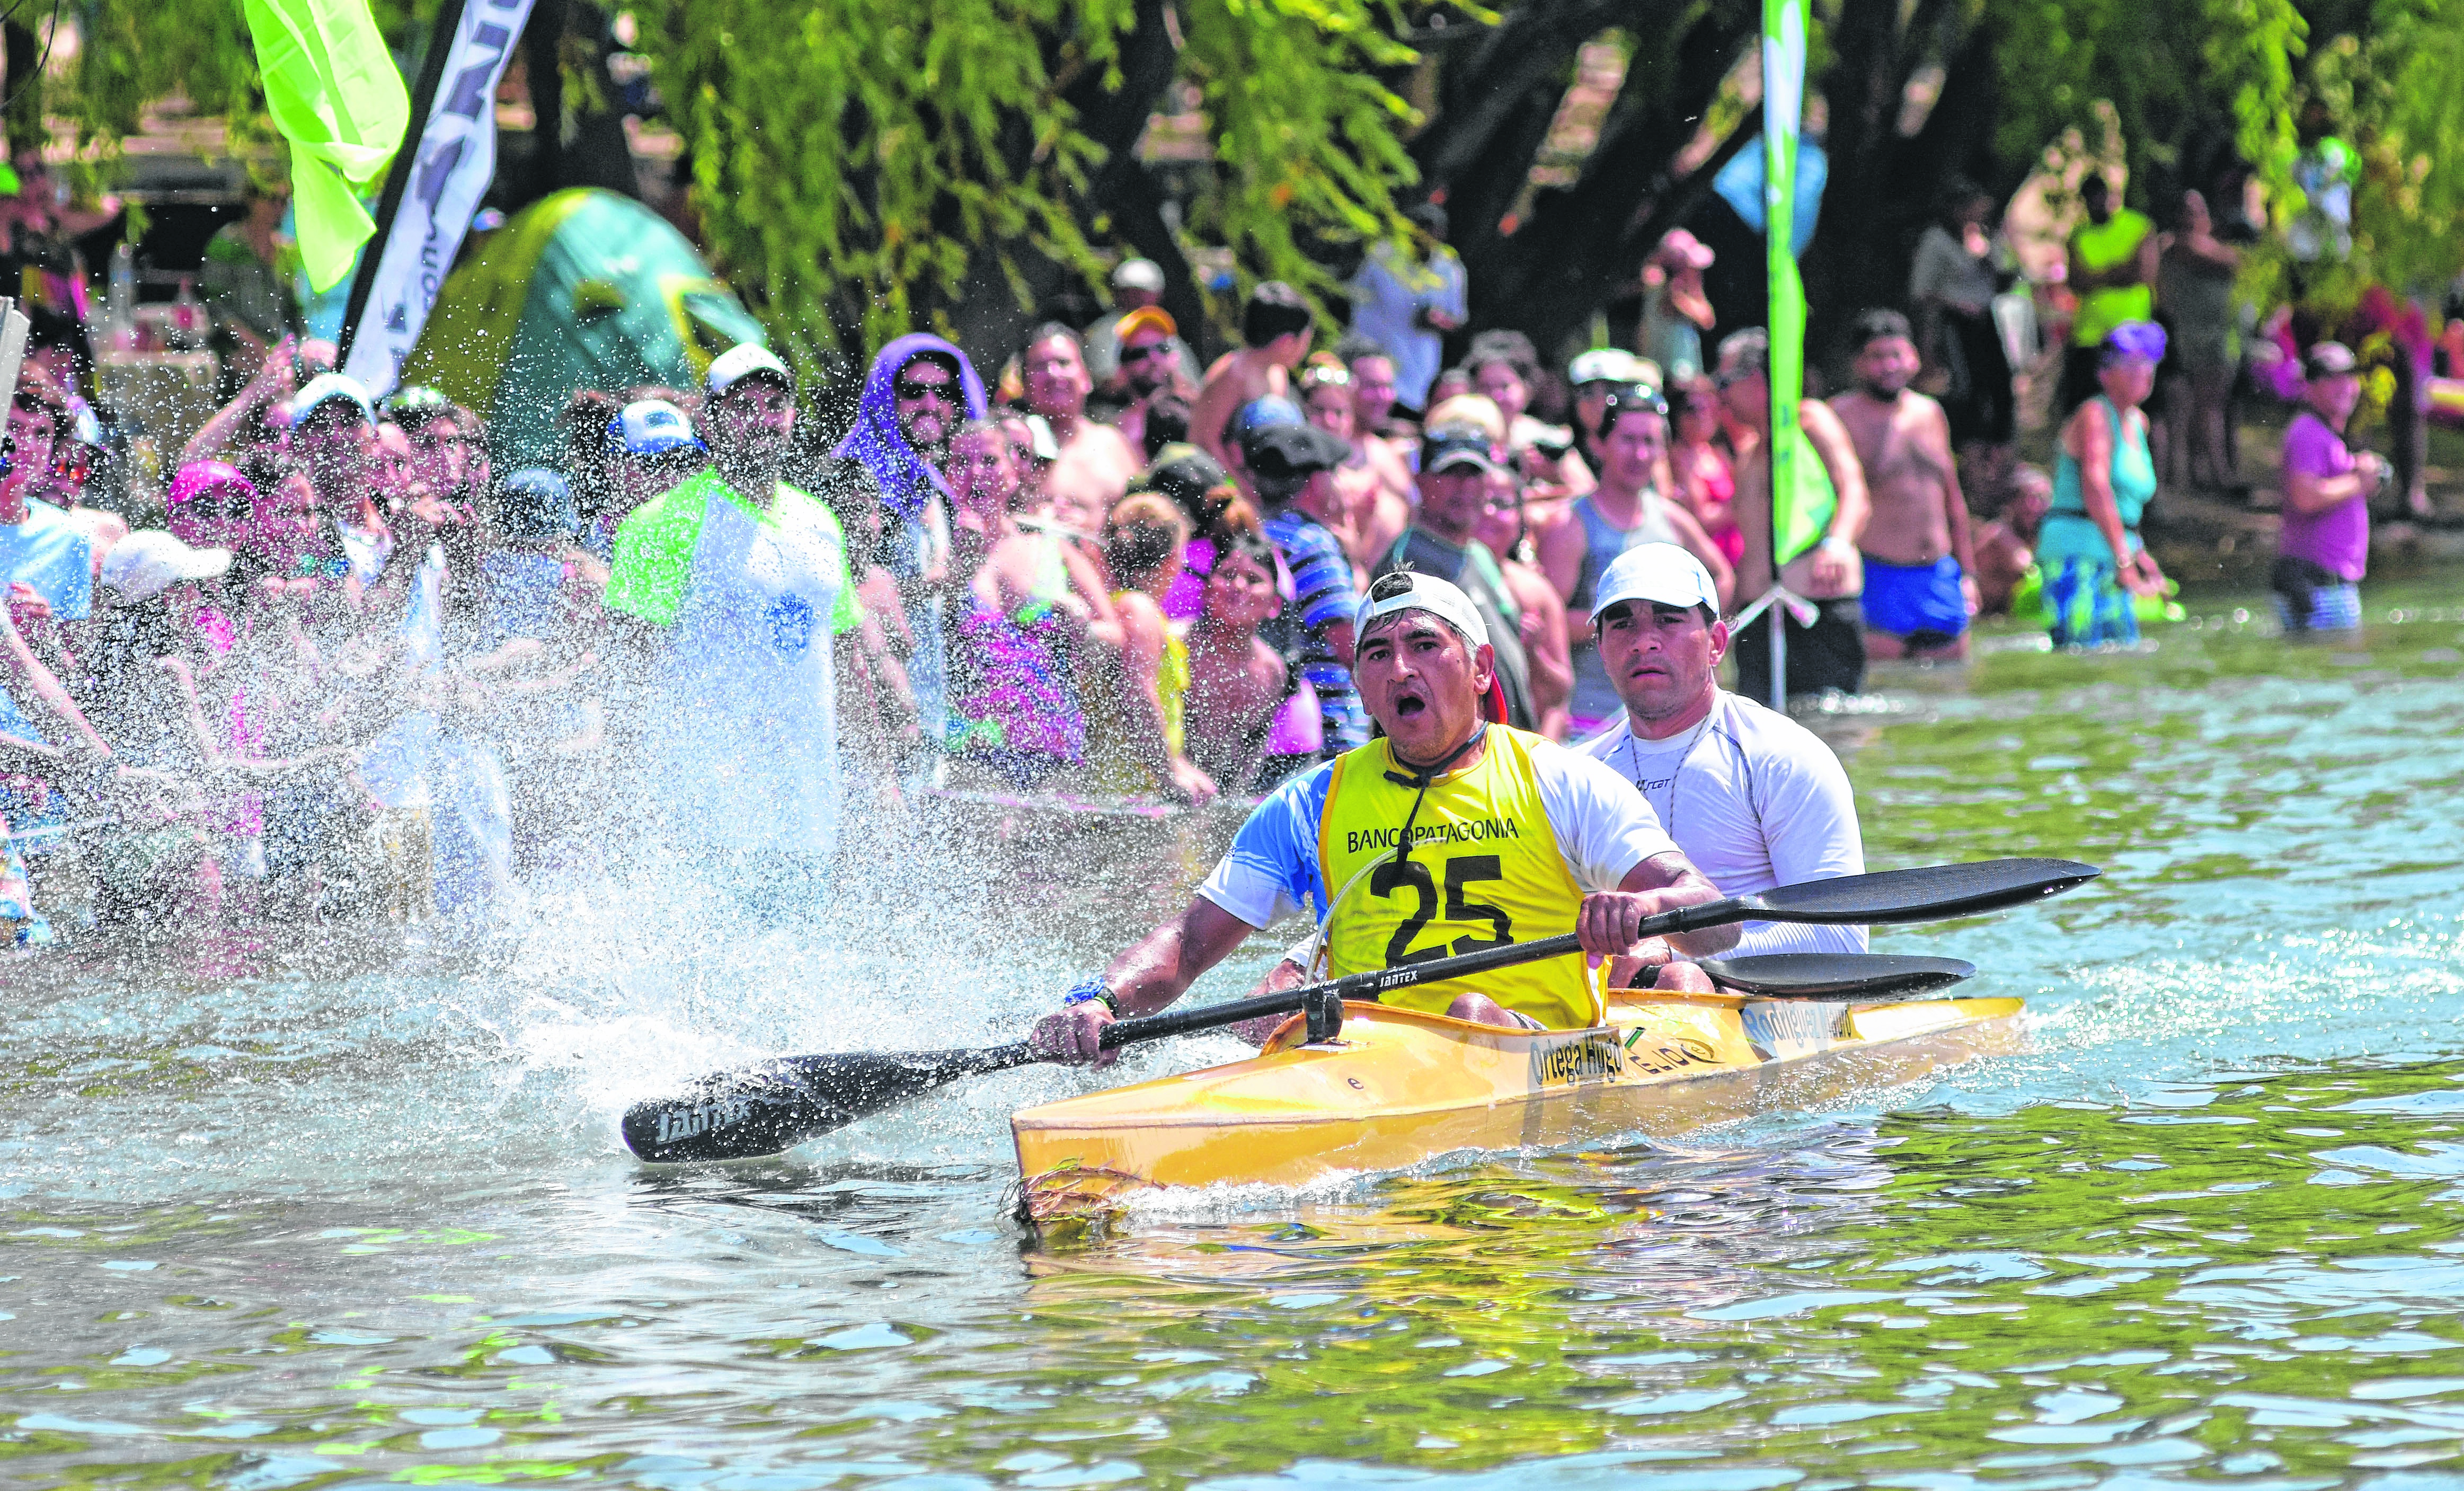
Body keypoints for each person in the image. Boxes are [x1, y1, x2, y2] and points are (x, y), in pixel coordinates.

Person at [1029, 570, 1736, 1065]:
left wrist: (1640, 907)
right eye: (1378, 654)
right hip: (1367, 1065)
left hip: (1538, 1053)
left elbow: (1714, 914)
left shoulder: (1560, 778)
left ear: (1482, 668)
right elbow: (1186, 945)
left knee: (1470, 1015)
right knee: (1264, 1011)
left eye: (1424, 646)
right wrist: (1102, 1001)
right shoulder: (1310, 803)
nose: (1400, 669)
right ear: (1363, 687)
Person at [604, 343, 859, 894]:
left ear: (793, 416)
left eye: (774, 403)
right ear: (711, 421)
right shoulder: (661, 522)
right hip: (709, 810)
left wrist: (878, 782)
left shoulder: (821, 523)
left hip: (809, 807)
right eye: (742, 406)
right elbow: (627, 672)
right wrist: (628, 798)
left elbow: (846, 664)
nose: (761, 420)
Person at [1575, 544, 1864, 983]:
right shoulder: (1577, 775)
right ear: (1600, 648)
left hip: (1761, 1005)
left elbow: (1839, 942)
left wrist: (1679, 957)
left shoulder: (1783, 758)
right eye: (1623, 624)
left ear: (1716, 643)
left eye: (1668, 620)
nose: (1644, 640)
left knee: (1679, 982)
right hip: (1624, 1006)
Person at [1537, 387, 1732, 736]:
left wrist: (1696, 629)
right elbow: (1547, 621)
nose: (1640, 453)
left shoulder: (1672, 519)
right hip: (1593, 717)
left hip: (1671, 719)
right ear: (1599, 444)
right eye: (1628, 440)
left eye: (1650, 441)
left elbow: (1721, 575)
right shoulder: (1571, 525)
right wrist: (1626, 624)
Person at [836, 334, 987, 770]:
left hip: (926, 694)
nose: (930, 403)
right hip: (873, 705)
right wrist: (933, 582)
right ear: (886, 395)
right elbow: (851, 598)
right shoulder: (856, 476)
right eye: (913, 391)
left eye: (944, 392)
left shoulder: (931, 484)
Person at [1713, 329, 1872, 703]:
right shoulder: (1749, 454)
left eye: (1724, 382)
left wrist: (1837, 543)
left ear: (1754, 379)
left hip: (1817, 610)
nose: (1720, 396)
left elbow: (1854, 491)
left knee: (1834, 731)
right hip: (1760, 622)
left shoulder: (1810, 420)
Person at [1829, 310, 1979, 661]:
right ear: (1858, 364)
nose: (1889, 366)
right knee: (1888, 685)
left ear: (1913, 357)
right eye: (1877, 357)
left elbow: (1952, 497)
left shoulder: (1931, 413)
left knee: (1953, 683)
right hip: (1879, 574)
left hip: (1939, 572)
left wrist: (1968, 572)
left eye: (1897, 355)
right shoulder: (1839, 416)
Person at [1373, 426, 1537, 734]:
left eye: (1473, 474)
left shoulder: (1480, 554)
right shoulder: (1407, 563)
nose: (1463, 487)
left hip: (1501, 747)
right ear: (1421, 483)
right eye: (1450, 474)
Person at [1245, 413, 1370, 765]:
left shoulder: (1257, 535)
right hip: (1328, 735)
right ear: (1317, 481)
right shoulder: (1310, 542)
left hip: (1273, 731)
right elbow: (1347, 641)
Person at [2043, 321, 2169, 648]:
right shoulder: (2095, 414)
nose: (2142, 371)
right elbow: (2096, 487)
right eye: (2130, 363)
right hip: (2078, 551)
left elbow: (2127, 505)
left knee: (2124, 653)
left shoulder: (2139, 422)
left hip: (2114, 554)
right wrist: (2125, 558)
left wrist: (2139, 555)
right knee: (2080, 653)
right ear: (2104, 373)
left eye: (2148, 362)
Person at [1083, 493, 1215, 803]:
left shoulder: (1133, 609)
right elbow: (1138, 696)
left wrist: (1179, 764)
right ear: (1172, 560)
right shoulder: (1138, 609)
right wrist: (1168, 775)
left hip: (1143, 778)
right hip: (1125, 788)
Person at [2274, 341, 2384, 634]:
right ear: (2308, 386)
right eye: (2331, 378)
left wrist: (2358, 472)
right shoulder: (2306, 432)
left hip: (2328, 585)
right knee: (2331, 670)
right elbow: (2306, 496)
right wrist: (2360, 482)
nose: (2345, 386)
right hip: (2316, 587)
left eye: (2350, 377)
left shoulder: (2325, 434)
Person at [1909, 181, 2017, 478]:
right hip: (1954, 323)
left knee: (1999, 386)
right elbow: (1921, 290)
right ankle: (1964, 460)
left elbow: (2006, 278)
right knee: (1965, 389)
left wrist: (1992, 252)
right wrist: (1955, 305)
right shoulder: (1937, 241)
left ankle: (1996, 461)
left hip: (1986, 321)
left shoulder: (1986, 239)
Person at [1473, 462, 1574, 741]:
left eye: (1501, 504)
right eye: (1480, 501)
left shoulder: (1537, 593)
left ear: (1521, 519)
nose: (1488, 512)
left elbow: (1560, 696)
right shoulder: (1441, 576)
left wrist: (1533, 654)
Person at [1182, 530, 1288, 793]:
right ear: (1206, 591)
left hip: (1221, 795)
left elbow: (1250, 756)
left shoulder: (1272, 671)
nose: (1238, 587)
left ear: (1274, 605)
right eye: (1228, 576)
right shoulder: (1177, 644)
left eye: (1253, 579)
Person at [1344, 202, 1466, 417]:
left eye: (1433, 232)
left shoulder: (1449, 270)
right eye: (1422, 229)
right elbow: (1355, 294)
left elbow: (1456, 319)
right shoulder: (1384, 254)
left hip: (1413, 369)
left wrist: (1436, 320)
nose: (1426, 237)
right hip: (1370, 356)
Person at [1021, 323, 1145, 533]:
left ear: (1086, 379)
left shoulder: (1111, 442)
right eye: (1040, 366)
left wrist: (1093, 527)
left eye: (1063, 362)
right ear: (1025, 386)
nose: (1053, 373)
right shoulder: (1010, 444)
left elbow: (1140, 520)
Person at [2157, 189, 2242, 492]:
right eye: (2188, 211)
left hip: (2217, 335)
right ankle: (2212, 475)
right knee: (2201, 408)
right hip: (2192, 338)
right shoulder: (2174, 246)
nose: (2194, 218)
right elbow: (2230, 262)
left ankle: (2205, 471)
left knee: (2211, 406)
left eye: (2198, 211)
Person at [1298, 355, 1413, 568]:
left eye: (1340, 413)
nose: (1330, 421)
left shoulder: (1383, 456)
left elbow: (1360, 550)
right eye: (1319, 410)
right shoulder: (1294, 470)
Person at [1, 368, 94, 623]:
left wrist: (43, 632)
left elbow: (74, 660)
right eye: (15, 428)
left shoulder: (70, 536)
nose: (28, 445)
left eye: (42, 433)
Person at [2062, 175, 2158, 416]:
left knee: (2134, 411)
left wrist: (2096, 276)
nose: (2097, 201)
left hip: (2132, 337)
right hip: (2090, 337)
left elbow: (2143, 273)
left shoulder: (2138, 227)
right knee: (2087, 409)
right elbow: (2076, 281)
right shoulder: (2079, 235)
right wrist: (2119, 271)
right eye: (2091, 197)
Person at [1194, 283, 1316, 467]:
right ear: (1287, 342)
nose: (1305, 350)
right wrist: (1243, 489)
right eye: (1305, 341)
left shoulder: (1278, 372)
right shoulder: (1232, 374)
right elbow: (1204, 441)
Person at [1466, 329, 1591, 497]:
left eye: (1505, 387)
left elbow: (1590, 493)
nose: (1495, 396)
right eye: (1485, 387)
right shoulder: (1464, 437)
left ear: (1527, 390)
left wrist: (1555, 476)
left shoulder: (1549, 442)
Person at [1084, 258, 1201, 393]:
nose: (1136, 297)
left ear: (1159, 295)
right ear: (1117, 293)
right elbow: (1108, 387)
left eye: (1143, 291)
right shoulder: (1102, 332)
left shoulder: (1166, 332)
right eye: (1130, 291)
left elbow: (1193, 389)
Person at [1667, 378, 1740, 570]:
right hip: (1710, 565)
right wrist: (1746, 507)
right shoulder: (1680, 459)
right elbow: (1701, 518)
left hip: (1736, 562)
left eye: (1711, 406)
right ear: (1678, 414)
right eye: (1695, 408)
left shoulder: (1717, 453)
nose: (1705, 415)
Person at [1104, 305, 1195, 455]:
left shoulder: (1202, 414)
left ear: (1175, 358)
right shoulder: (1116, 438)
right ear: (1122, 368)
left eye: (1162, 348)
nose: (1154, 359)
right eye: (1140, 353)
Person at [1638, 229, 1717, 385]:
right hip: (1670, 377)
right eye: (1690, 266)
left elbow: (1708, 319)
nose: (1697, 272)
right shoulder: (1661, 285)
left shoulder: (1685, 291)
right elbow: (1705, 319)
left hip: (1683, 375)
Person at [1972, 465, 2052, 616]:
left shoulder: (2038, 536)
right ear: (2012, 503)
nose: (2034, 506)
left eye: (2042, 499)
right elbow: (2029, 567)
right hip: (1985, 621)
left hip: (2010, 620)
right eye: (2026, 498)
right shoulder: (1998, 536)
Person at [1567, 347, 1655, 481]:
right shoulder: (1559, 451)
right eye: (1587, 392)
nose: (1600, 402)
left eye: (1611, 391)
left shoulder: (1646, 448)